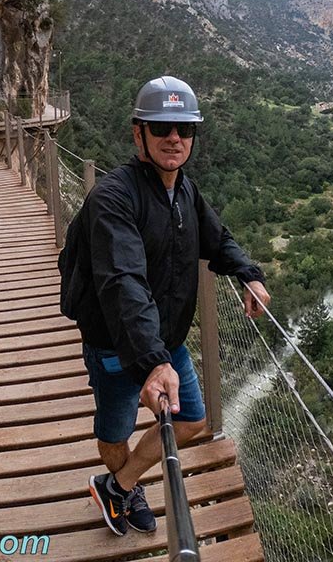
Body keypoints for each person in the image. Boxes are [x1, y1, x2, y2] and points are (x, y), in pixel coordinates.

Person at [60, 75, 271, 536]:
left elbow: (217, 239)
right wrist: (153, 362)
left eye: (185, 130)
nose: (174, 138)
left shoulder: (184, 190)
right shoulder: (113, 198)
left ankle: (118, 486)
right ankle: (125, 487)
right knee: (115, 432)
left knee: (192, 419)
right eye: (161, 128)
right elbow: (122, 281)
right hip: (116, 342)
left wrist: (248, 273)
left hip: (166, 339)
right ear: (139, 134)